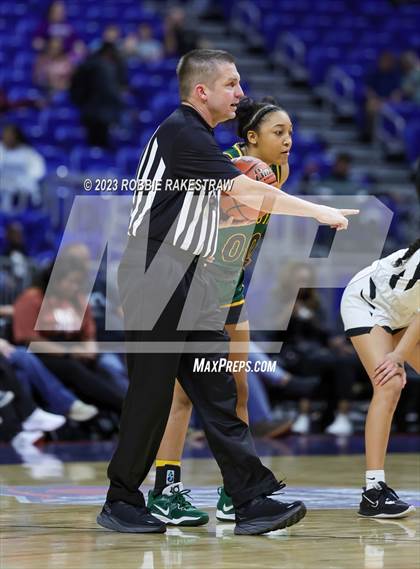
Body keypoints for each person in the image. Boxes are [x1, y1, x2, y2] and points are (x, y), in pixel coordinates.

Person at [97, 49, 357, 536]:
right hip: (156, 272)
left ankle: (249, 497)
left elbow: (233, 193)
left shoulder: (201, 140)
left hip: (189, 276)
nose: (240, 93)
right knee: (153, 397)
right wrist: (321, 212)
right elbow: (247, 194)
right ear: (203, 92)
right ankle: (122, 499)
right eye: (231, 85)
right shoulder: (183, 132)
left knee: (219, 393)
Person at [147, 96, 296, 525]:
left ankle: (236, 490)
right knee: (183, 397)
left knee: (240, 390)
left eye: (289, 133)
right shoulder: (221, 164)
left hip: (230, 287)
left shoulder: (279, 171)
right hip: (193, 288)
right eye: (278, 133)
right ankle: (164, 489)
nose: (288, 141)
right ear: (252, 138)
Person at [341, 239, 419, 518]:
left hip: (404, 310)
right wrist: (398, 356)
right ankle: (373, 492)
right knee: (390, 383)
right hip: (368, 301)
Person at [12, 258, 125, 415]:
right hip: (43, 353)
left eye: (78, 283)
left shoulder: (78, 300)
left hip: (75, 352)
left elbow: (88, 334)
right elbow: (30, 340)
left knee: (104, 368)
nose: (75, 287)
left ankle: (128, 408)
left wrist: (89, 351)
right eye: (71, 282)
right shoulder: (32, 298)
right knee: (74, 369)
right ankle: (125, 408)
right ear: (55, 280)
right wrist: (69, 352)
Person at [0, 125, 46, 211]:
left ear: (16, 137)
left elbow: (38, 172)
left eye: (10, 136)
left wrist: (20, 181)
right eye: (5, 135)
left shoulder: (28, 152)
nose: (7, 138)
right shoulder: (1, 150)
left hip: (21, 188)